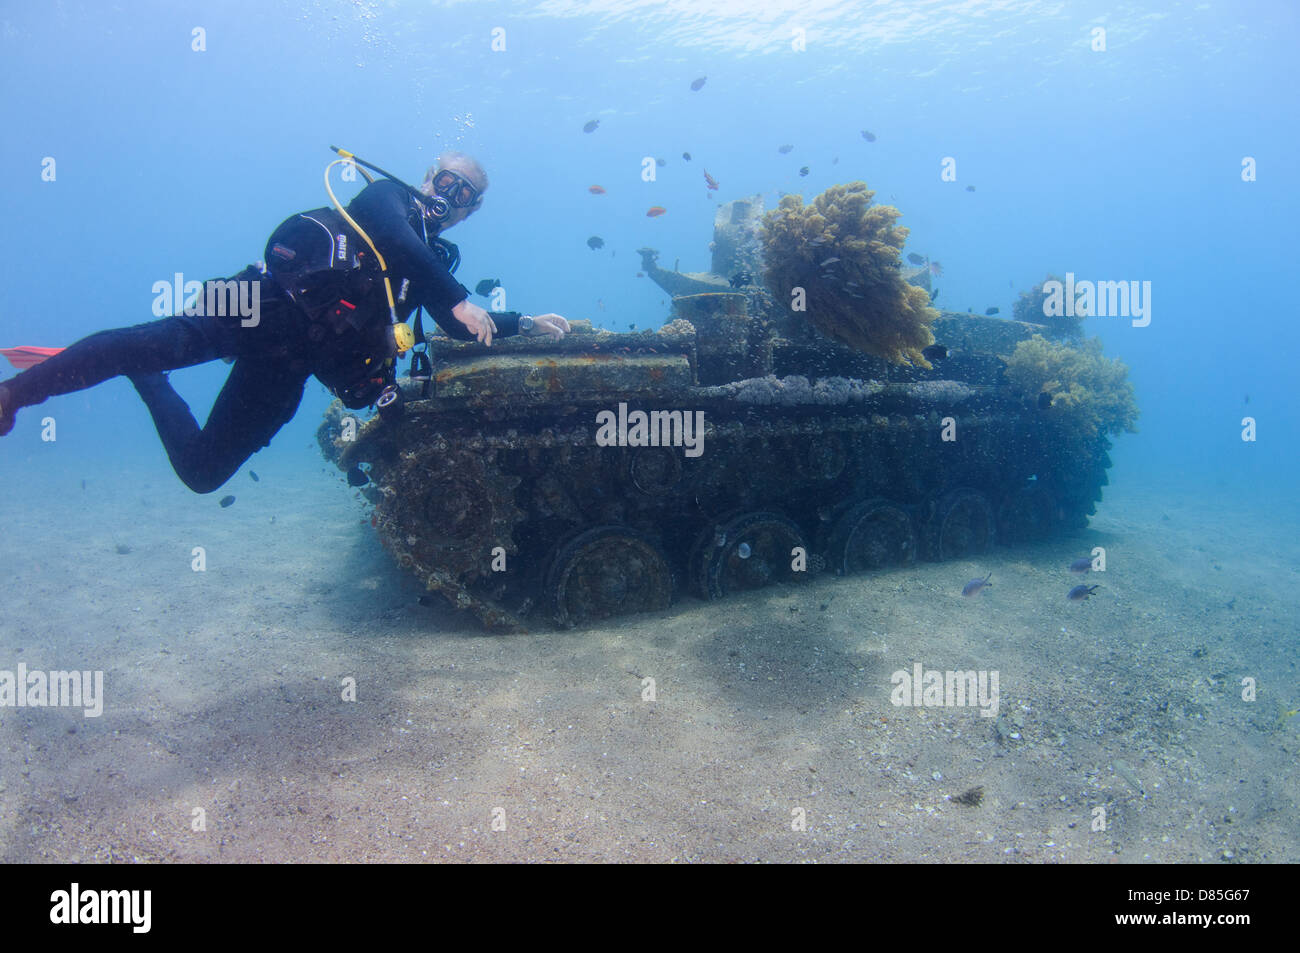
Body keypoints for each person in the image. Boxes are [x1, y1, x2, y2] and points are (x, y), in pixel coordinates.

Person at [0, 151, 569, 492]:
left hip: (297, 361)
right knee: (152, 342)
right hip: (257, 303)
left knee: (203, 473)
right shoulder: (386, 198)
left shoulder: (433, 261)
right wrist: (461, 295)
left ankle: (151, 382)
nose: (452, 195)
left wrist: (524, 321)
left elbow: (453, 323)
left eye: (466, 194)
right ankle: (14, 394)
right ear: (427, 177)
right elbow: (396, 240)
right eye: (447, 181)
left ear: (472, 211)